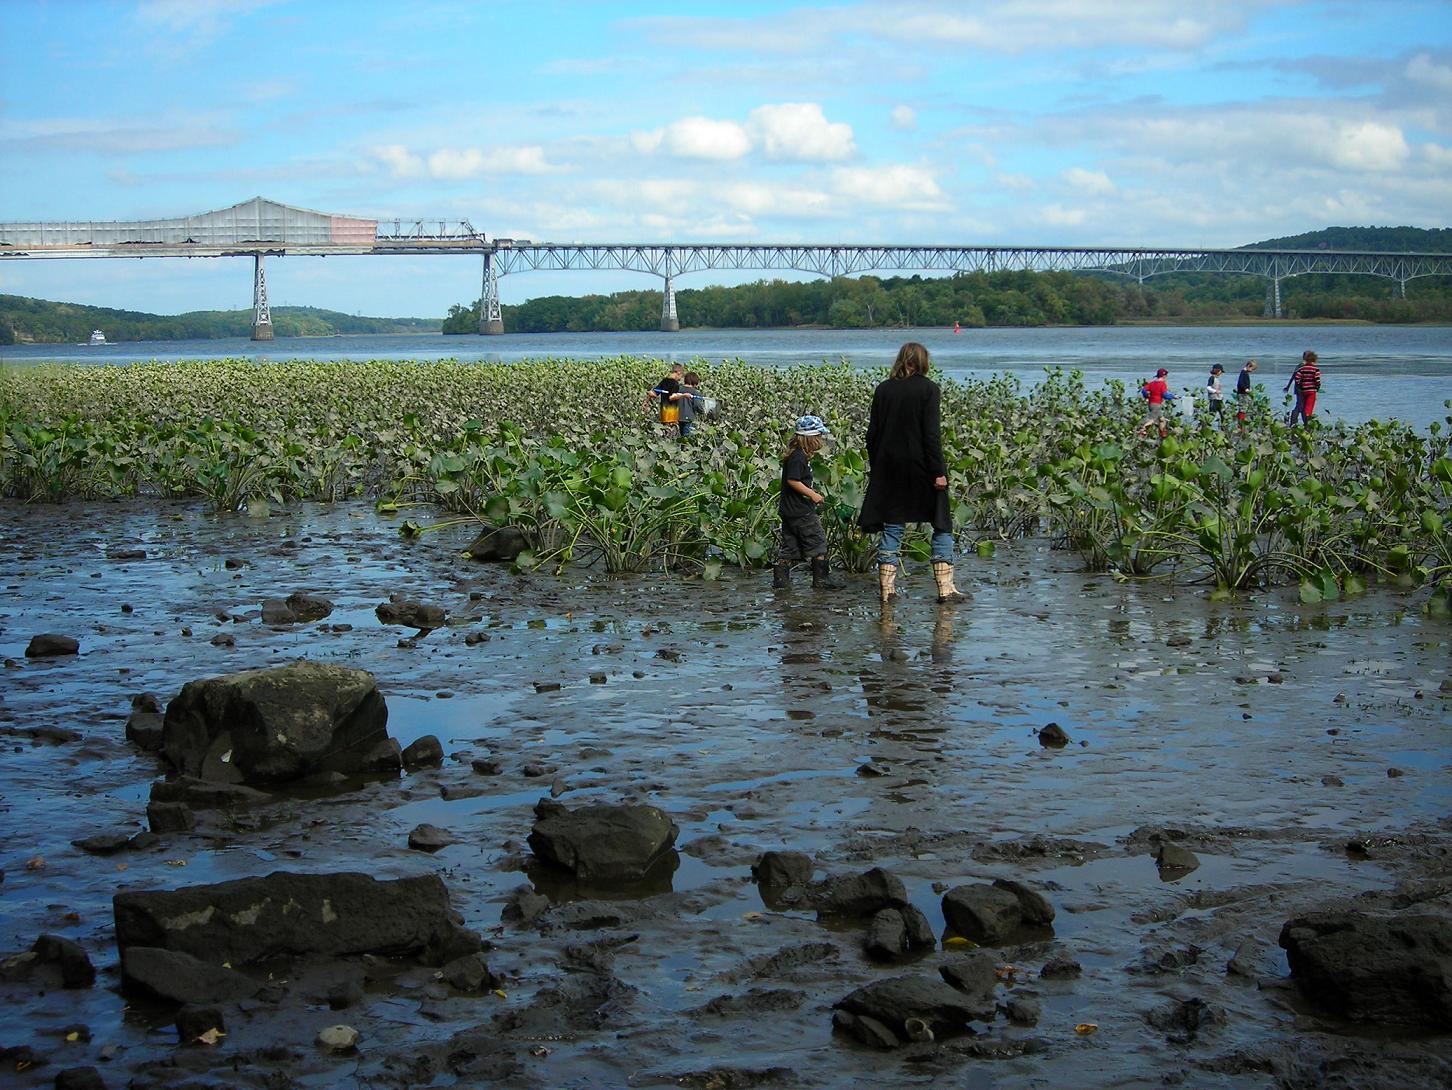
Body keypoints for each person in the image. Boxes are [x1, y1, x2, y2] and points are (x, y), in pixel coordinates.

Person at [857, 342, 965, 604]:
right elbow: (931, 435)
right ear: (922, 362)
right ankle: (945, 589)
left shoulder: (884, 389)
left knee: (893, 526)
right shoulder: (928, 389)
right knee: (941, 523)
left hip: (889, 467)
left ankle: (886, 590)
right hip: (921, 468)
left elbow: (872, 434)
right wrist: (938, 472)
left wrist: (877, 465)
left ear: (900, 360)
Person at [774, 415, 844, 591]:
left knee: (790, 547)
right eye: (819, 436)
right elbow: (793, 480)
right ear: (810, 438)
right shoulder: (798, 457)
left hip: (789, 510)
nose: (820, 440)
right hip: (801, 511)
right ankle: (821, 581)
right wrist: (813, 495)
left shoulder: (795, 456)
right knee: (818, 542)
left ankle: (781, 583)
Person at [1134, 368, 1176, 439]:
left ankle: (1162, 434)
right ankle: (1141, 429)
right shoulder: (1162, 384)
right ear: (1164, 376)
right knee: (1152, 420)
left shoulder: (1152, 383)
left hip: (1151, 404)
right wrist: (1173, 396)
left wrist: (1147, 396)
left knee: (1162, 419)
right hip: (1156, 405)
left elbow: (1144, 390)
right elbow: (1165, 395)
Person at [1286, 350, 1321, 426]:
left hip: (1301, 388)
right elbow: (1317, 380)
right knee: (1302, 407)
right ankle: (1303, 423)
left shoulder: (1301, 367)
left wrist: (1289, 386)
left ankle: (1300, 423)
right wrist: (1317, 387)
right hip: (1305, 389)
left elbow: (1296, 377)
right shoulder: (1305, 366)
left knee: (1301, 407)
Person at [648, 362, 684, 436]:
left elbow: (654, 394)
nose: (680, 378)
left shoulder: (664, 381)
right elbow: (671, 397)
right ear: (678, 373)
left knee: (665, 433)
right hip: (672, 414)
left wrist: (647, 399)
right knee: (672, 435)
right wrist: (682, 395)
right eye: (681, 376)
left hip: (663, 413)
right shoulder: (675, 384)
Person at [672, 370, 703, 442]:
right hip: (688, 418)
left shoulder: (677, 389)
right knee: (687, 437)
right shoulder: (695, 392)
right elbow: (697, 405)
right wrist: (703, 411)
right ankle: (684, 451)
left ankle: (680, 450)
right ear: (695, 383)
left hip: (677, 417)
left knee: (679, 436)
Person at [1235, 359, 1257, 423]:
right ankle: (1241, 423)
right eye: (1252, 369)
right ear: (1249, 366)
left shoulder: (1244, 373)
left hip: (1243, 393)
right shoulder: (1243, 373)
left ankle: (1240, 421)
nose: (1252, 371)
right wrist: (1245, 389)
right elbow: (1240, 383)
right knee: (1243, 409)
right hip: (1242, 394)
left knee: (1244, 408)